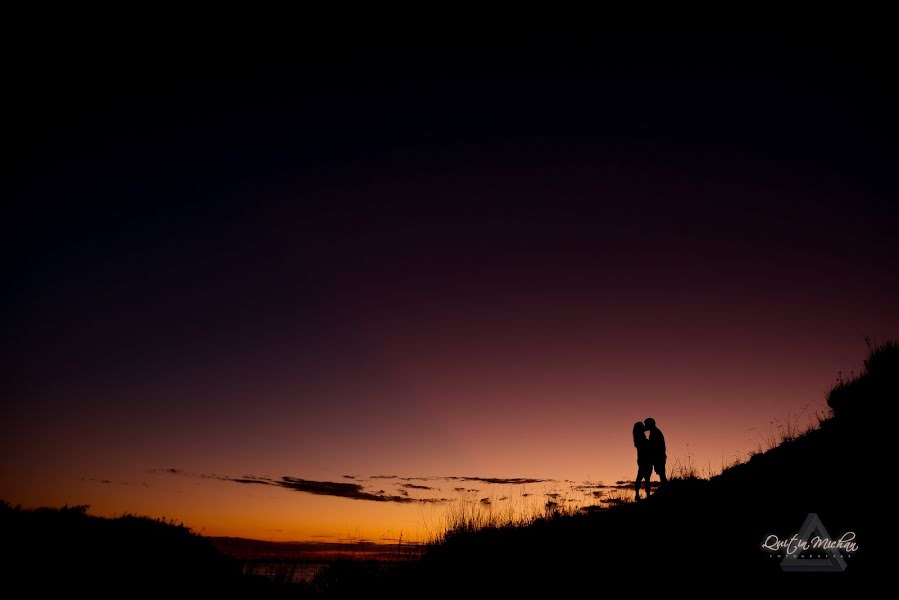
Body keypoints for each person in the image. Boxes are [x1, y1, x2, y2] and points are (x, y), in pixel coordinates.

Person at [644, 417, 667, 486]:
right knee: (661, 473)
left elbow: (654, 445)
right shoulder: (654, 431)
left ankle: (665, 487)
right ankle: (664, 486)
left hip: (659, 456)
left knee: (661, 474)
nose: (645, 426)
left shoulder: (655, 432)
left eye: (646, 424)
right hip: (659, 456)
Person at [633, 421, 651, 500]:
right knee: (645, 478)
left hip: (641, 460)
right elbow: (645, 446)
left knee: (640, 477)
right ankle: (646, 495)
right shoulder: (641, 439)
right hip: (645, 460)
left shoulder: (638, 438)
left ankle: (638, 495)